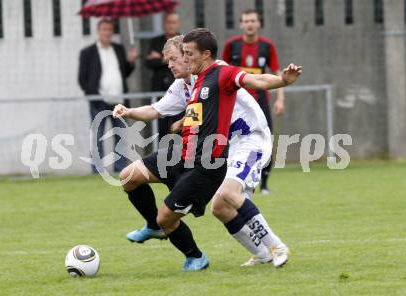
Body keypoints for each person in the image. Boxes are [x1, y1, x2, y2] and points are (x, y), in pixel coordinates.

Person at [113, 29, 301, 271]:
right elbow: (161, 110)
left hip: (250, 139)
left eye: (177, 56)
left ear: (193, 54)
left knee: (230, 194)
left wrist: (283, 81)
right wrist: (131, 113)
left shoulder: (219, 72)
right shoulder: (186, 85)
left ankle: (276, 246)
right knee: (220, 207)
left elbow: (255, 80)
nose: (172, 63)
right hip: (223, 147)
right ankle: (262, 254)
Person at [222, 9, 285, 194]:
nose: (249, 24)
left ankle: (264, 184)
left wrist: (280, 99)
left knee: (265, 140)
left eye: (253, 21)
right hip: (236, 104)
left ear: (258, 23)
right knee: (231, 141)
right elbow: (221, 72)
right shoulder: (231, 45)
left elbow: (277, 73)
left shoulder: (267, 46)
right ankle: (234, 180)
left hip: (260, 102)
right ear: (241, 24)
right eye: (246, 21)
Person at [78, 18, 138, 174]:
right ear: (99, 31)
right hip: (99, 101)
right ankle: (97, 170)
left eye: (110, 29)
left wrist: (131, 62)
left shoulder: (118, 49)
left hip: (119, 101)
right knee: (98, 136)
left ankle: (120, 169)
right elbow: (82, 78)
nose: (107, 32)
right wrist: (91, 93)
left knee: (121, 136)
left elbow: (125, 73)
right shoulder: (87, 52)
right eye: (104, 29)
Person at [145, 12, 183, 141]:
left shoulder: (184, 41)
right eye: (168, 22)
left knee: (180, 126)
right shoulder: (156, 41)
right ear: (164, 24)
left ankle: (181, 157)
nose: (171, 25)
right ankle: (163, 157)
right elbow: (149, 62)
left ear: (178, 24)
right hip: (161, 89)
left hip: (180, 90)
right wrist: (170, 59)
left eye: (174, 22)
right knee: (162, 127)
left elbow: (185, 61)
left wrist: (161, 58)